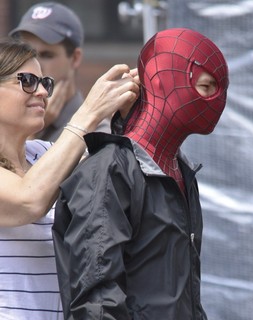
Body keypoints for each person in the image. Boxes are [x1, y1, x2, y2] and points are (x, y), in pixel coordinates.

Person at [52, 27, 229, 319]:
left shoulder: (180, 172)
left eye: (221, 88)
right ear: (162, 80)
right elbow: (96, 301)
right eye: (206, 86)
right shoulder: (110, 170)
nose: (216, 100)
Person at [0, 38, 139, 320]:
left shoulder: (46, 154)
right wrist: (89, 112)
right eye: (27, 81)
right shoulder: (51, 166)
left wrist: (129, 117)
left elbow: (112, 189)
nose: (41, 92)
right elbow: (29, 200)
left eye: (45, 83)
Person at [9, 1, 111, 141]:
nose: (34, 66)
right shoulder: (8, 118)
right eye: (26, 55)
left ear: (75, 58)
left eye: (46, 55)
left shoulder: (96, 133)